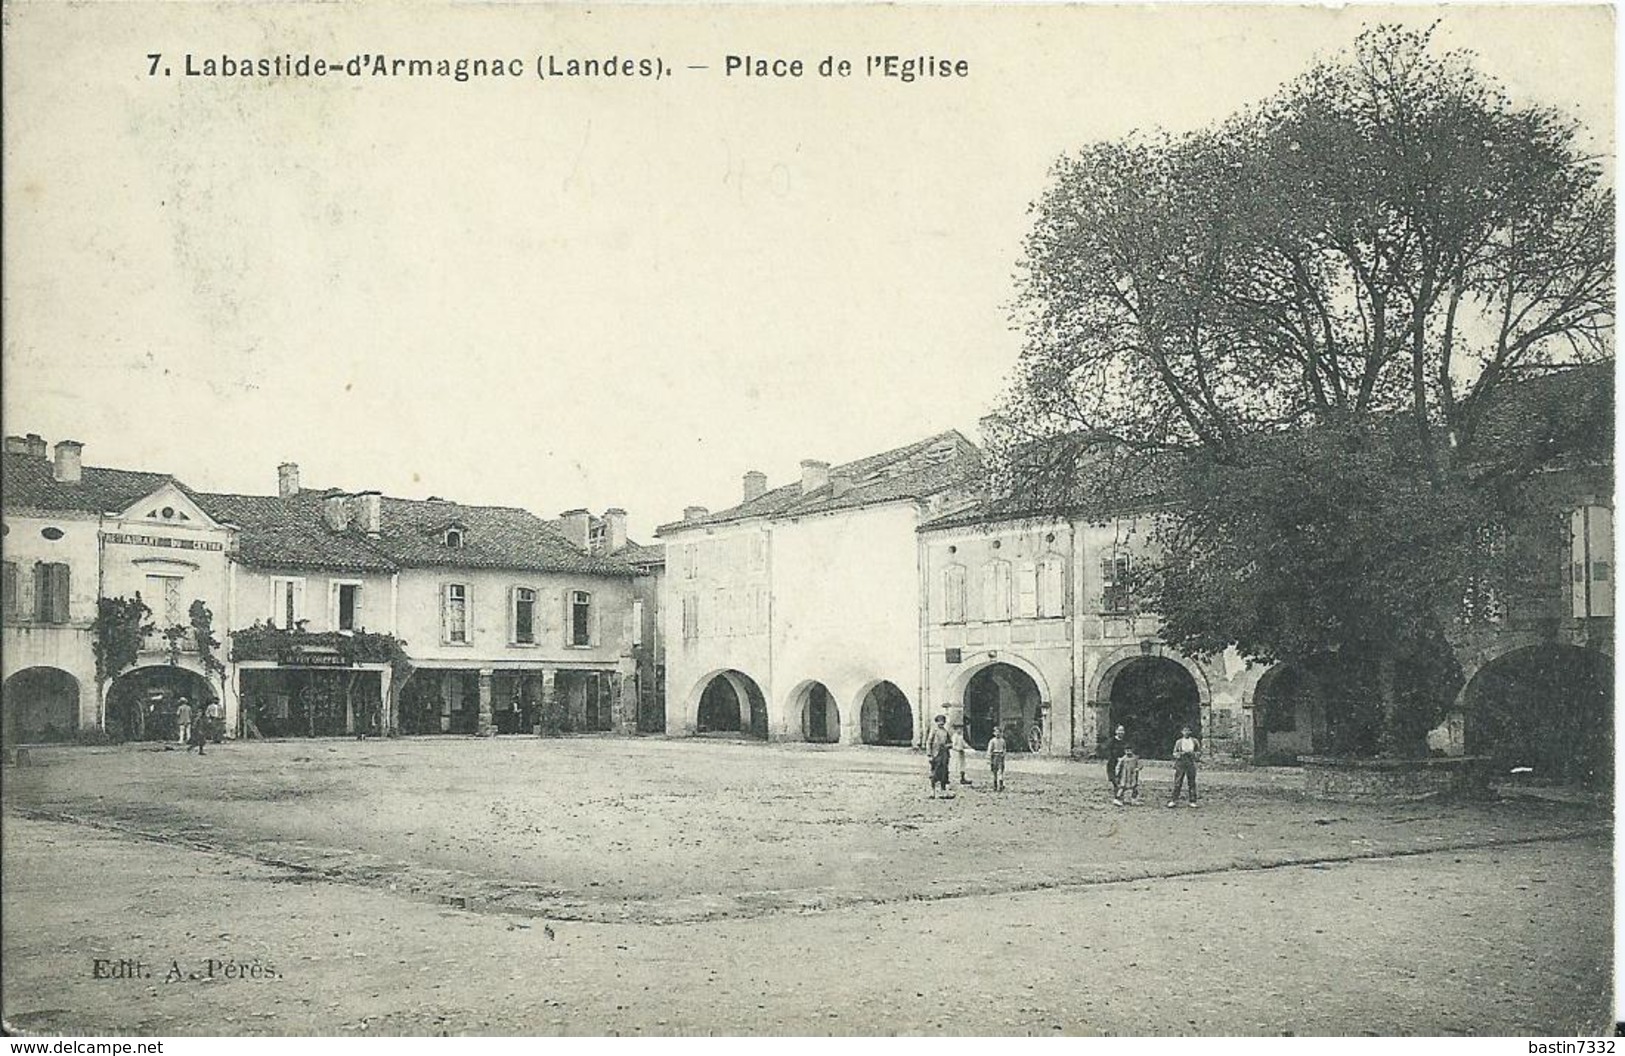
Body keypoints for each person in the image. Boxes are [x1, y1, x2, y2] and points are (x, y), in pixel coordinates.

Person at [1168, 725, 1200, 808]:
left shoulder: (1194, 741)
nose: (1186, 732)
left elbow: (1198, 752)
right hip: (1180, 763)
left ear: (1191, 732)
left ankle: (1192, 801)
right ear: (1182, 732)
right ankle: (1174, 800)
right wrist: (1180, 754)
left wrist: (1192, 754)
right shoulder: (1179, 742)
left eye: (1188, 731)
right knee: (1178, 782)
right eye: (1184, 731)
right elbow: (1174, 753)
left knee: (1192, 782)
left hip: (1190, 762)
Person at [926, 713, 954, 799]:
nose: (941, 723)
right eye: (939, 722)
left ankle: (942, 791)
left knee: (944, 772)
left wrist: (947, 746)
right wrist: (929, 754)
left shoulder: (946, 732)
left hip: (944, 754)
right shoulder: (933, 731)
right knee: (934, 772)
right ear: (936, 722)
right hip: (936, 754)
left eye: (943, 722)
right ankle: (932, 791)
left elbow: (950, 743)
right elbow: (929, 742)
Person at [1106, 724, 1127, 798]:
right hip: (1113, 763)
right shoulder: (1112, 741)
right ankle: (1117, 796)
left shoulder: (1125, 742)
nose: (1121, 732)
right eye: (1119, 730)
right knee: (1115, 780)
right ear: (1116, 731)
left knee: (1122, 780)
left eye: (1122, 730)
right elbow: (1109, 752)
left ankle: (1120, 796)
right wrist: (1116, 758)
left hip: (1123, 763)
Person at [951, 720, 972, 786]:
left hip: (961, 753)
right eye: (958, 729)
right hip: (956, 753)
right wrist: (958, 749)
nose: (960, 730)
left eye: (961, 729)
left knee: (962, 765)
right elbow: (953, 746)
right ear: (955, 729)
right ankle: (956, 779)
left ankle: (962, 778)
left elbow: (964, 743)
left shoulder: (960, 736)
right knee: (957, 766)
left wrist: (968, 747)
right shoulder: (955, 736)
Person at [987, 725, 1007, 792]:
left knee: (1000, 771)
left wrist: (1003, 754)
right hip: (995, 756)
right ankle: (995, 785)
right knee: (995, 771)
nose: (998, 734)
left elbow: (1004, 749)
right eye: (996, 732)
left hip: (1000, 756)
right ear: (994, 733)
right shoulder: (992, 741)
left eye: (999, 732)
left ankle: (1000, 785)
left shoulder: (1002, 741)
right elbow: (990, 750)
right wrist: (989, 758)